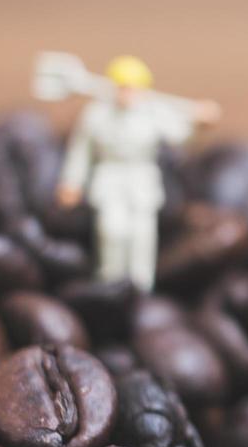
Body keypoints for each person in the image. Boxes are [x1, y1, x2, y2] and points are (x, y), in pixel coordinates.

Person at [54, 56, 220, 291]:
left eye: (133, 88)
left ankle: (142, 285)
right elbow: (81, 152)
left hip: (141, 178)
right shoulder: (96, 114)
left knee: (142, 232)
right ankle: (110, 281)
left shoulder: (153, 112)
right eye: (122, 87)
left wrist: (199, 122)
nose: (127, 94)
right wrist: (71, 183)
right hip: (109, 176)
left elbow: (179, 135)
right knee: (112, 229)